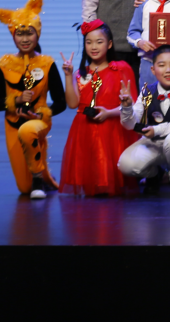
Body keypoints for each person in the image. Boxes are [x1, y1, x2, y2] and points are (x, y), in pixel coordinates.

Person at [0, 0, 66, 200]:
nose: (24, 39)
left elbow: (61, 102)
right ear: (13, 36)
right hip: (12, 124)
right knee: (24, 187)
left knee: (28, 130)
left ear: (37, 34)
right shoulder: (5, 64)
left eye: (29, 33)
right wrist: (16, 101)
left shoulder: (47, 64)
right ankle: (44, 177)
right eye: (19, 34)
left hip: (38, 121)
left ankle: (39, 178)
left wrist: (43, 114)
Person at [58, 21, 139, 196]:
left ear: (109, 44)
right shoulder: (80, 73)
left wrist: (109, 113)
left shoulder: (121, 69)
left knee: (109, 173)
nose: (93, 47)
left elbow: (133, 104)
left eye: (99, 42)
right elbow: (72, 104)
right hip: (85, 129)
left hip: (112, 128)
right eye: (89, 42)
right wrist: (68, 76)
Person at [117, 45, 170, 198]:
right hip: (153, 143)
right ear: (153, 70)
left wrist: (157, 130)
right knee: (126, 165)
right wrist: (127, 107)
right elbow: (130, 124)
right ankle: (154, 175)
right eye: (161, 65)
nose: (168, 70)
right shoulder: (147, 91)